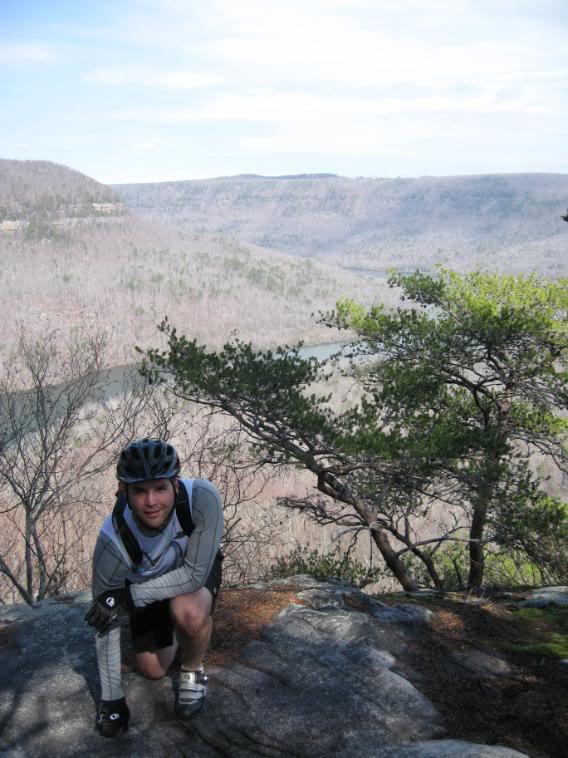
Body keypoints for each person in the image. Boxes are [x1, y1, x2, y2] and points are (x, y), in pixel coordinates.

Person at [85, 438, 224, 738]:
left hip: (189, 573)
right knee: (153, 670)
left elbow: (194, 575)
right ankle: (174, 629)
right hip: (148, 582)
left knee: (188, 612)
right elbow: (104, 621)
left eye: (160, 488)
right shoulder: (112, 543)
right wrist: (112, 700)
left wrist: (128, 597)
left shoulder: (201, 499)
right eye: (140, 491)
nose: (151, 502)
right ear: (123, 492)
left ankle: (192, 671)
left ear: (175, 485)